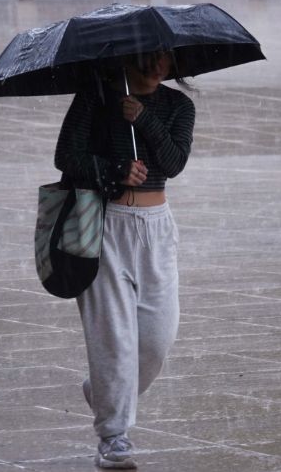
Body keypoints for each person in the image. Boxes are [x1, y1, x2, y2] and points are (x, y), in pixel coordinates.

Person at [54, 50, 195, 469]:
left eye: (164, 60)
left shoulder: (177, 106)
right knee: (112, 336)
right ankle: (114, 436)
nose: (156, 68)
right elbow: (66, 156)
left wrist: (143, 119)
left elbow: (174, 162)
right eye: (147, 59)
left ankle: (104, 392)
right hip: (104, 224)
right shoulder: (95, 99)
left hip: (156, 227)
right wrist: (114, 168)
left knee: (156, 338)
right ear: (126, 59)